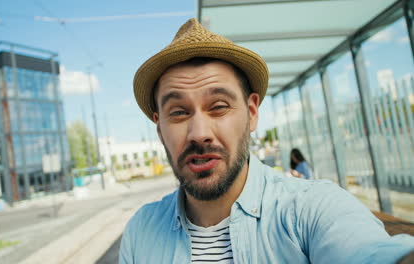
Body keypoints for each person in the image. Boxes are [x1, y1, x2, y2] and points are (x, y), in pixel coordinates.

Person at [119, 18, 414, 263]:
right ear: (159, 130)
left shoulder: (310, 209)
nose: (199, 133)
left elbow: (372, 253)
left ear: (251, 113)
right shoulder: (141, 231)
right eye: (179, 112)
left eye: (219, 107)